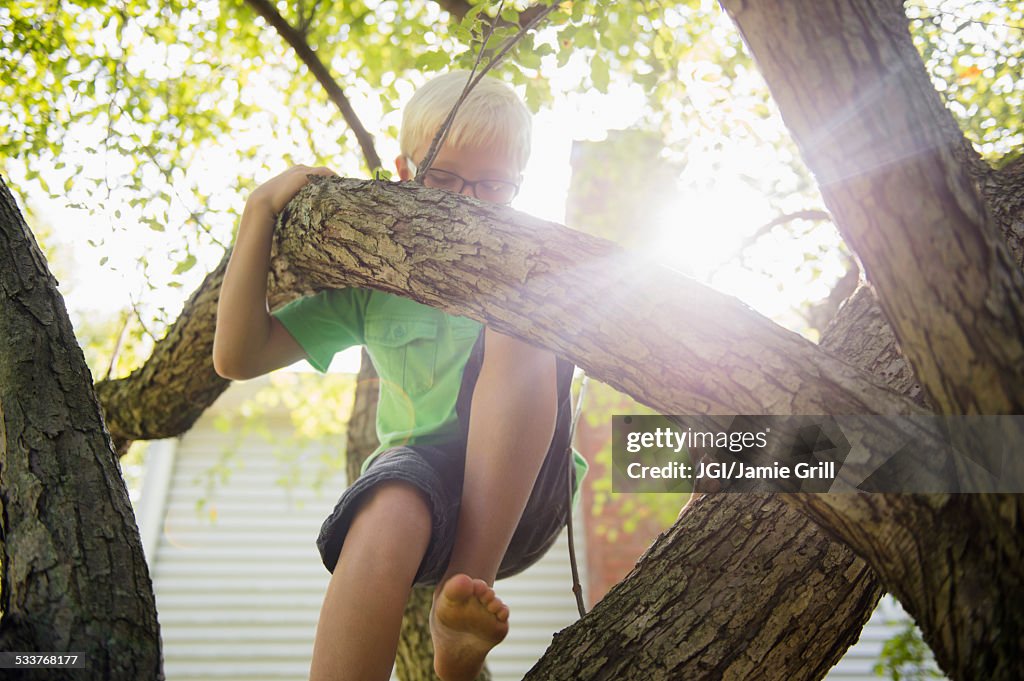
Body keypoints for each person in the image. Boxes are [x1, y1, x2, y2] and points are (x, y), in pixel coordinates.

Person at [212, 70, 587, 681]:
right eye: (444, 178)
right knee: (386, 504)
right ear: (407, 170)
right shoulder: (375, 286)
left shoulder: (533, 262)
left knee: (523, 312)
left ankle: (460, 597)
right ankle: (453, 638)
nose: (466, 200)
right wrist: (258, 210)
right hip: (423, 489)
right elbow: (238, 356)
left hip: (526, 498)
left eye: (491, 185)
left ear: (517, 188)